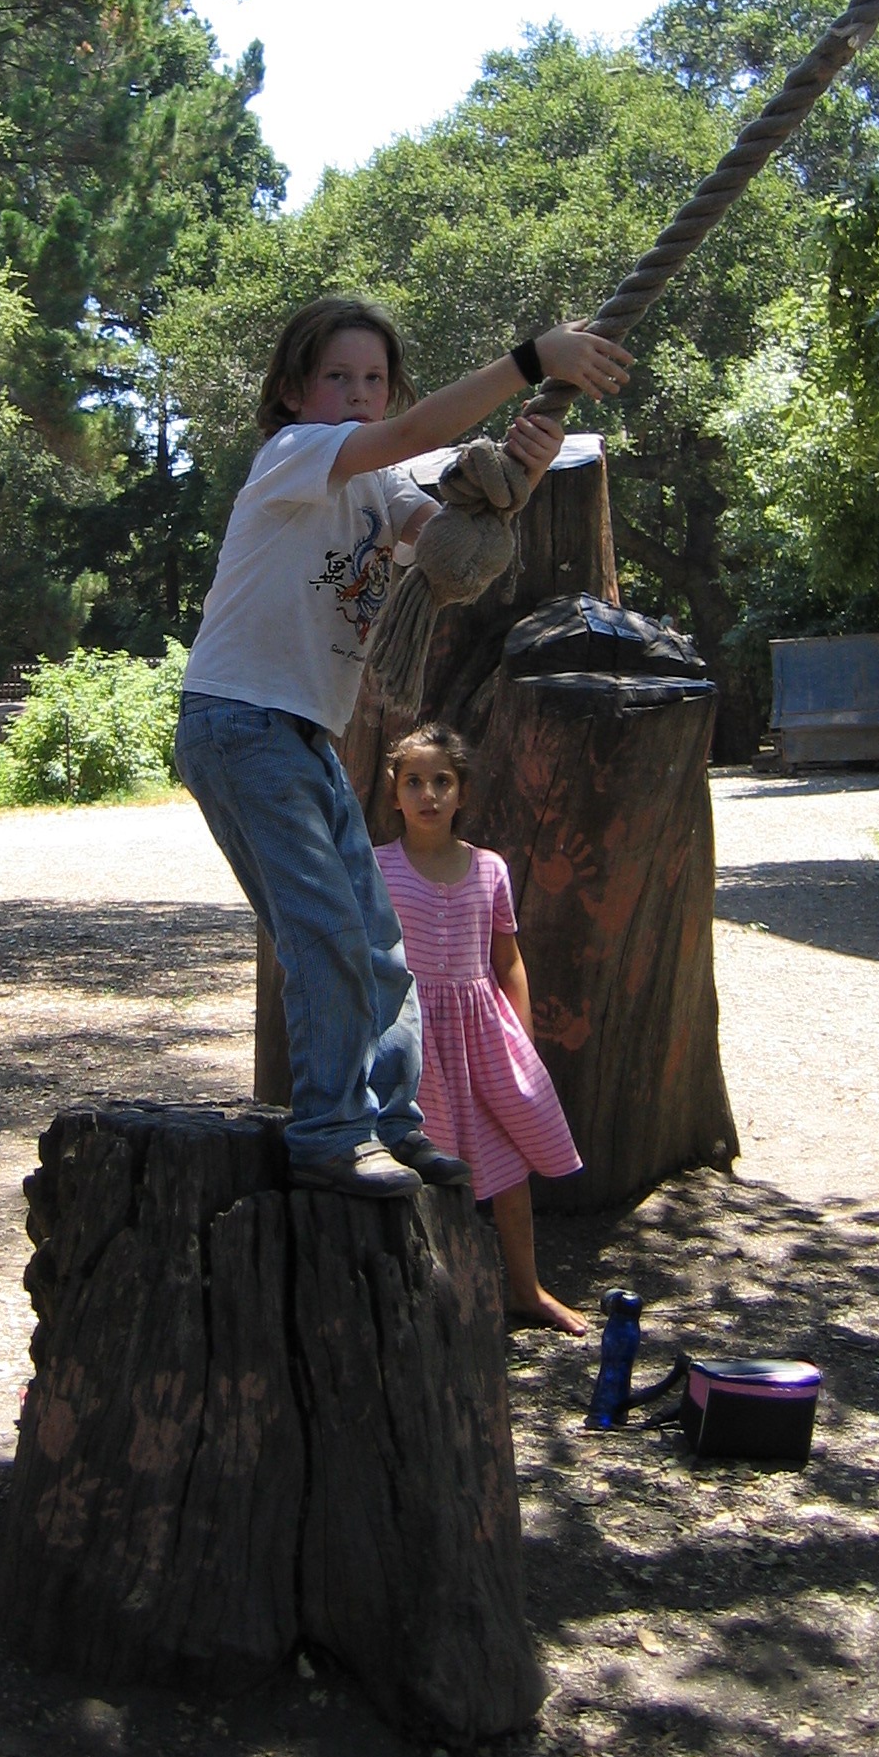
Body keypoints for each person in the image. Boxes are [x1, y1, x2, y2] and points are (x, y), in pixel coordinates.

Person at [175, 295, 631, 1200]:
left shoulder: (382, 491)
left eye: (374, 379)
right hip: (239, 721)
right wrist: (532, 361)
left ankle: (391, 1121)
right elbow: (420, 432)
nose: (358, 393)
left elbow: (451, 555)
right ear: (293, 392)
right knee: (326, 934)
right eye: (336, 376)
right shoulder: (294, 456)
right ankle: (329, 1134)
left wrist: (521, 475)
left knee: (381, 944)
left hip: (300, 732)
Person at [375, 724, 587, 1330]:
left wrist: (522, 1039)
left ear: (462, 792)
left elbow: (507, 959)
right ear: (395, 793)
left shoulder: (489, 868)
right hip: (410, 1037)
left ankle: (526, 1288)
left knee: (508, 1157)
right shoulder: (377, 867)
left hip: (483, 1038)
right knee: (423, 1158)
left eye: (442, 781)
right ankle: (425, 1296)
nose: (428, 795)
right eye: (414, 782)